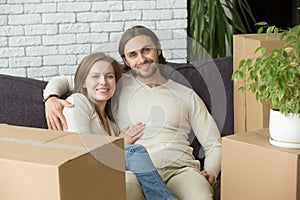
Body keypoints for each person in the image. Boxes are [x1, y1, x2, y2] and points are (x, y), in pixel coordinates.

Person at [43, 25, 222, 200]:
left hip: (180, 170)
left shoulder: (186, 94)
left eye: (146, 50)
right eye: (133, 55)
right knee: (126, 192)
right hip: (134, 172)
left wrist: (211, 171)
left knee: (201, 195)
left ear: (158, 48)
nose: (142, 59)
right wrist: (50, 98)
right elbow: (74, 80)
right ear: (126, 60)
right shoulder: (116, 83)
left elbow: (214, 143)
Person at [59, 51, 177, 200]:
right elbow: (81, 149)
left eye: (109, 76)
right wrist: (121, 142)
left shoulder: (111, 125)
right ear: (84, 82)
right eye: (95, 76)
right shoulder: (77, 102)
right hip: (78, 173)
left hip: (101, 176)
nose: (103, 82)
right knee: (135, 151)